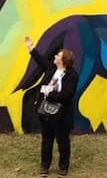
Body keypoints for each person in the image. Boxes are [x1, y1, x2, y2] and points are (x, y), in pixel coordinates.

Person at [24, 37, 79, 178]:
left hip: (62, 113)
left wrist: (51, 93)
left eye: (58, 55)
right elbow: (40, 61)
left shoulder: (72, 75)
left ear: (64, 60)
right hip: (46, 111)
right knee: (46, 139)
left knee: (63, 140)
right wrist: (31, 48)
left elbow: (68, 94)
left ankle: (63, 167)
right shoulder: (52, 68)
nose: (55, 56)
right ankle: (44, 166)